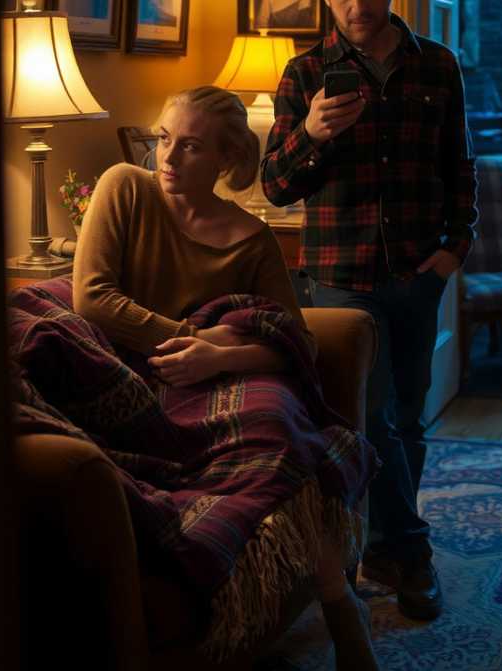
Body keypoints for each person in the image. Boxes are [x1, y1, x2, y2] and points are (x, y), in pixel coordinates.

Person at [72, 86, 379, 670]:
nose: (168, 157)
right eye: (165, 138)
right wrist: (192, 337)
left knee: (280, 426)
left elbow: (296, 344)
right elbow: (92, 299)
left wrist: (219, 358)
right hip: (132, 379)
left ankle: (341, 604)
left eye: (190, 146)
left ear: (226, 159)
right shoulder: (125, 187)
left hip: (213, 383)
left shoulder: (252, 239)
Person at [261, 0, 478, 621]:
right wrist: (313, 133)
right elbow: (275, 185)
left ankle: (378, 549)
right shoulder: (305, 73)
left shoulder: (438, 64)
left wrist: (455, 248)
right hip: (341, 276)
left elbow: (459, 164)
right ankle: (413, 551)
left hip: (419, 270)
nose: (357, 5)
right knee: (374, 416)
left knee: (407, 416)